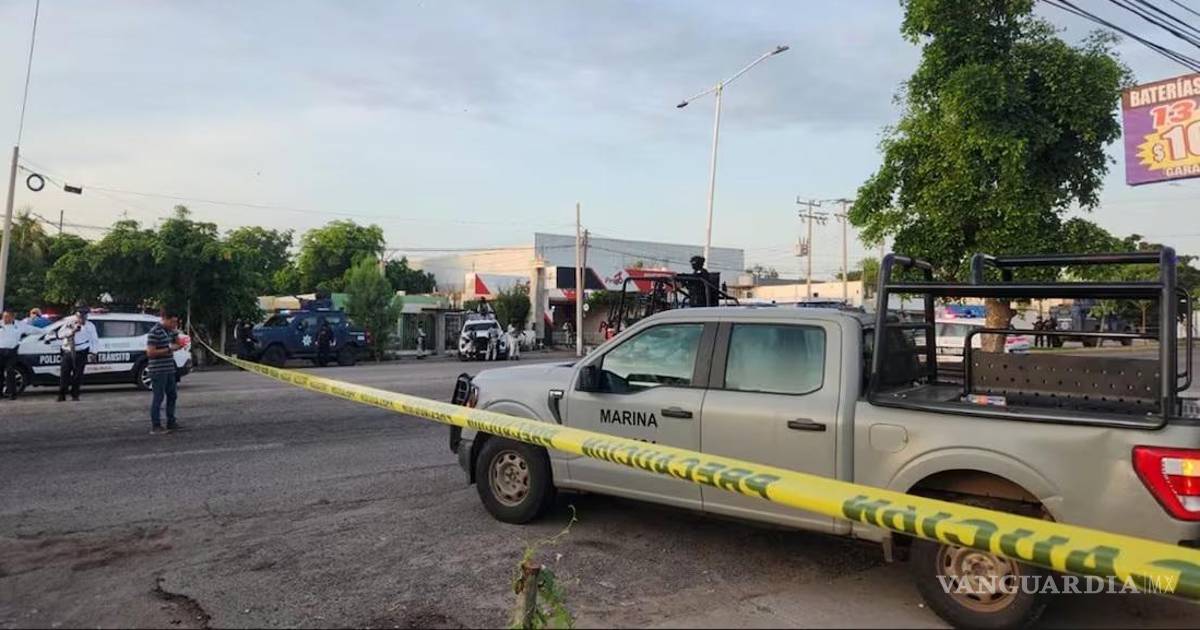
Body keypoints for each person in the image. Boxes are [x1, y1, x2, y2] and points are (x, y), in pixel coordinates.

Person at [146, 310, 183, 434]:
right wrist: (168, 349)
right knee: (159, 397)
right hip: (158, 370)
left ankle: (171, 421)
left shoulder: (171, 331)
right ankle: (156, 425)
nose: (174, 324)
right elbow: (150, 353)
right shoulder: (154, 332)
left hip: (169, 368)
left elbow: (179, 344)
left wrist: (176, 335)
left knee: (172, 395)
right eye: (172, 322)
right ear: (164, 319)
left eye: (176, 322)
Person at [56, 306, 98, 402]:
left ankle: (75, 394)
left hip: (81, 351)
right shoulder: (69, 323)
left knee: (78, 374)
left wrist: (94, 352)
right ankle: (62, 395)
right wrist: (72, 331)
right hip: (68, 350)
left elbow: (94, 340)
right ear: (76, 315)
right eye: (80, 316)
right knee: (64, 374)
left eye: (84, 316)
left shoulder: (90, 326)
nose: (82, 318)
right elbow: (59, 334)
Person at [1, 309, 38, 401]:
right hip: (0, 351)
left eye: (7, 317)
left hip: (12, 351)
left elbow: (33, 330)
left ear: (12, 317)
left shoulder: (19, 325)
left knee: (10, 371)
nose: (5, 319)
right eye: (4, 317)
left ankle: (12, 393)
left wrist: (47, 331)